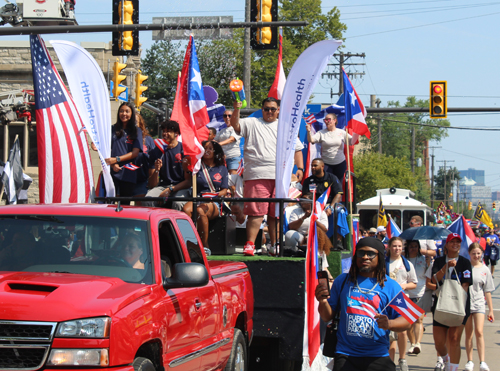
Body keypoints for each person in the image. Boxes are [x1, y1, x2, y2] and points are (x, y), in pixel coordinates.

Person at [316, 237, 412, 371]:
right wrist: (323, 301)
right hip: (346, 355)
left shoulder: (391, 286)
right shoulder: (342, 281)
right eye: (361, 253)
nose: (365, 257)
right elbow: (327, 317)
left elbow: (408, 320)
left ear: (380, 257)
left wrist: (389, 324)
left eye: (370, 254)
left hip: (378, 355)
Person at [230, 97, 280, 256]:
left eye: (273, 109)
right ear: (262, 109)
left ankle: (274, 245)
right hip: (256, 174)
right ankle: (250, 244)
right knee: (256, 212)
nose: (270, 112)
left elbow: (296, 148)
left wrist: (298, 167)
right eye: (266, 109)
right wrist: (236, 108)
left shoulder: (285, 126)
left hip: (280, 176)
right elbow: (235, 125)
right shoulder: (252, 122)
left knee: (275, 213)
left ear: (278, 110)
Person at [426, 233, 472, 371]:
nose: (455, 244)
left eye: (458, 242)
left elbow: (465, 285)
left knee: (454, 339)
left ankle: (453, 368)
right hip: (440, 304)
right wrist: (445, 268)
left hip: (459, 305)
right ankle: (446, 359)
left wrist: (457, 302)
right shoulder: (439, 261)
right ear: (446, 244)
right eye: (452, 242)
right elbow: (434, 280)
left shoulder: (465, 262)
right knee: (439, 343)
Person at [183, 141, 228, 252]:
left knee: (200, 210)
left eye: (210, 148)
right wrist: (186, 163)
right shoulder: (197, 165)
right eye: (205, 148)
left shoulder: (222, 168)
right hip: (198, 197)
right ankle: (189, 243)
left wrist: (213, 195)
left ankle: (205, 245)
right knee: (185, 210)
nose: (206, 150)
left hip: (214, 201)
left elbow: (224, 191)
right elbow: (187, 173)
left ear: (216, 152)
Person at [144, 120, 191, 210]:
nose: (165, 134)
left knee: (178, 203)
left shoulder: (184, 150)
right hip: (162, 186)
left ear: (176, 133)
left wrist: (170, 190)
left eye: (168, 131)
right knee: (147, 200)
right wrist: (157, 170)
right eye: (164, 131)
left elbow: (188, 181)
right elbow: (152, 185)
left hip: (181, 187)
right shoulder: (156, 151)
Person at [386, 237, 417, 371]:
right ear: (389, 247)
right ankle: (390, 362)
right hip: (387, 300)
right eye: (394, 246)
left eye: (399, 246)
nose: (397, 249)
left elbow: (414, 283)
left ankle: (402, 359)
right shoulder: (383, 263)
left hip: (402, 300)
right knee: (390, 333)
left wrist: (403, 286)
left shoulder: (408, 264)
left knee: (403, 331)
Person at [463, 243, 494, 371]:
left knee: (479, 332)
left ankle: (482, 362)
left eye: (478, 253)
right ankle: (470, 361)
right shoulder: (465, 267)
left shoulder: (485, 270)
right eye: (473, 253)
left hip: (479, 303)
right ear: (469, 254)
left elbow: (487, 291)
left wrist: (491, 310)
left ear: (482, 254)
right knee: (468, 333)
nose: (476, 256)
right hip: (466, 304)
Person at [105, 102, 143, 204]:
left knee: (125, 205)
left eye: (127, 111)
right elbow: (105, 149)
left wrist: (116, 159)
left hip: (128, 172)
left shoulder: (137, 131)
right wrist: (113, 164)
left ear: (131, 114)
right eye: (121, 111)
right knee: (109, 203)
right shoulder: (112, 129)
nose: (124, 114)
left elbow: (135, 153)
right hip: (112, 171)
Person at [306, 112, 352, 182]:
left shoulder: (341, 132)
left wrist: (357, 133)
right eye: (325, 120)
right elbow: (311, 140)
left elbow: (352, 141)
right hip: (326, 163)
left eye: (329, 119)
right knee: (327, 183)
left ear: (335, 120)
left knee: (338, 183)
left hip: (340, 163)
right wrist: (308, 132)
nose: (327, 121)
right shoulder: (321, 133)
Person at [404, 240, 427, 356]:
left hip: (420, 293)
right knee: (409, 321)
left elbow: (428, 275)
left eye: (415, 246)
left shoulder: (424, 260)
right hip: (407, 293)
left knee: (419, 319)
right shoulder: (403, 260)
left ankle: (418, 343)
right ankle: (412, 343)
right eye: (411, 246)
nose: (413, 248)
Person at [134, 114, 155, 200]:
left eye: (136, 122)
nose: (134, 124)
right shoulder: (124, 138)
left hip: (142, 180)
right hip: (125, 178)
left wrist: (151, 180)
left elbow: (153, 161)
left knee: (140, 206)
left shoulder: (148, 140)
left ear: (140, 124)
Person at [214, 109, 242, 175]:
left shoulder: (236, 128)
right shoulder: (221, 131)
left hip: (233, 157)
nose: (227, 117)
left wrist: (218, 144)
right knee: (222, 178)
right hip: (222, 158)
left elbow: (231, 139)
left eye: (229, 116)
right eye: (225, 116)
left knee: (233, 178)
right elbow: (214, 141)